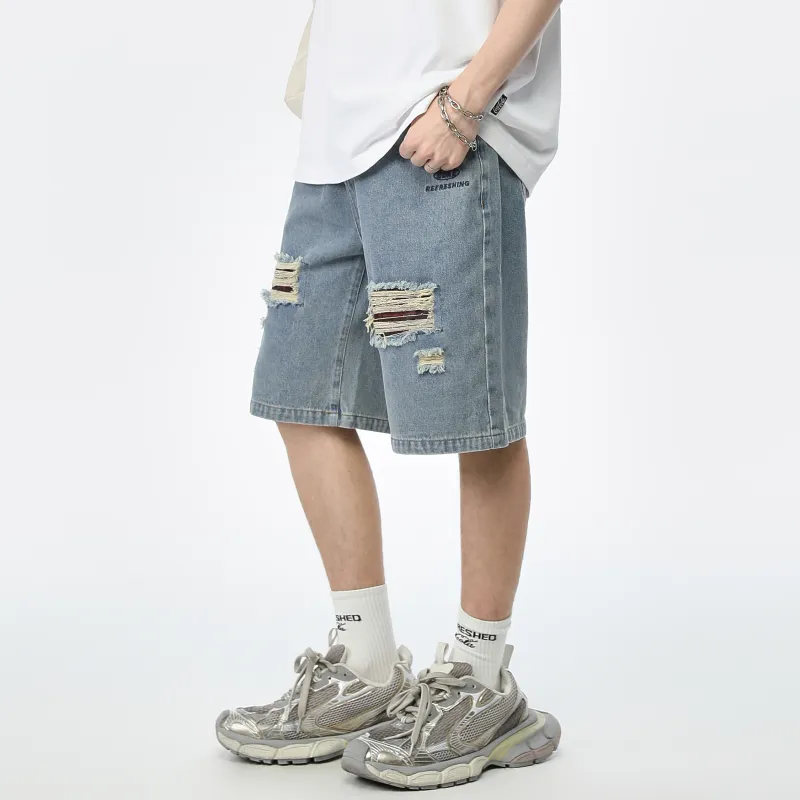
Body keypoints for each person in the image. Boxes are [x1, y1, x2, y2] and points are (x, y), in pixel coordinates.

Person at [216, 0, 564, 789]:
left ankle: (481, 678)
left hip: (446, 125)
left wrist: (467, 101)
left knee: (476, 415)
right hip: (334, 141)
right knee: (298, 394)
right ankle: (365, 663)